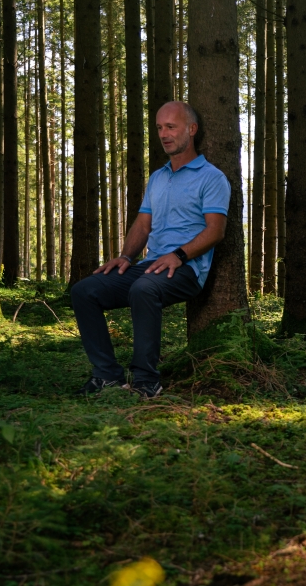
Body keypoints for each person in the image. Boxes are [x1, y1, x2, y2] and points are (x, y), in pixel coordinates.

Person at [71, 101, 230, 398]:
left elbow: (215, 230)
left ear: (192, 129)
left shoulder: (212, 177)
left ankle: (146, 381)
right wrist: (125, 257)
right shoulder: (158, 177)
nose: (164, 134)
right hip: (150, 266)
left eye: (171, 127)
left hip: (187, 268)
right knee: (85, 290)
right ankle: (107, 376)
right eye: (159, 127)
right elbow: (143, 226)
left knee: (143, 289)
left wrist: (179, 255)